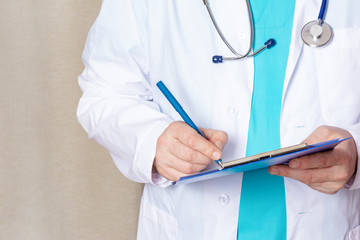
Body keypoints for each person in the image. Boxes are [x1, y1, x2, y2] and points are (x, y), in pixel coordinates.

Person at [77, 0, 360, 239]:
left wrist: (356, 153)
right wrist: (154, 141)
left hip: (329, 225)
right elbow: (105, 91)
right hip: (190, 224)